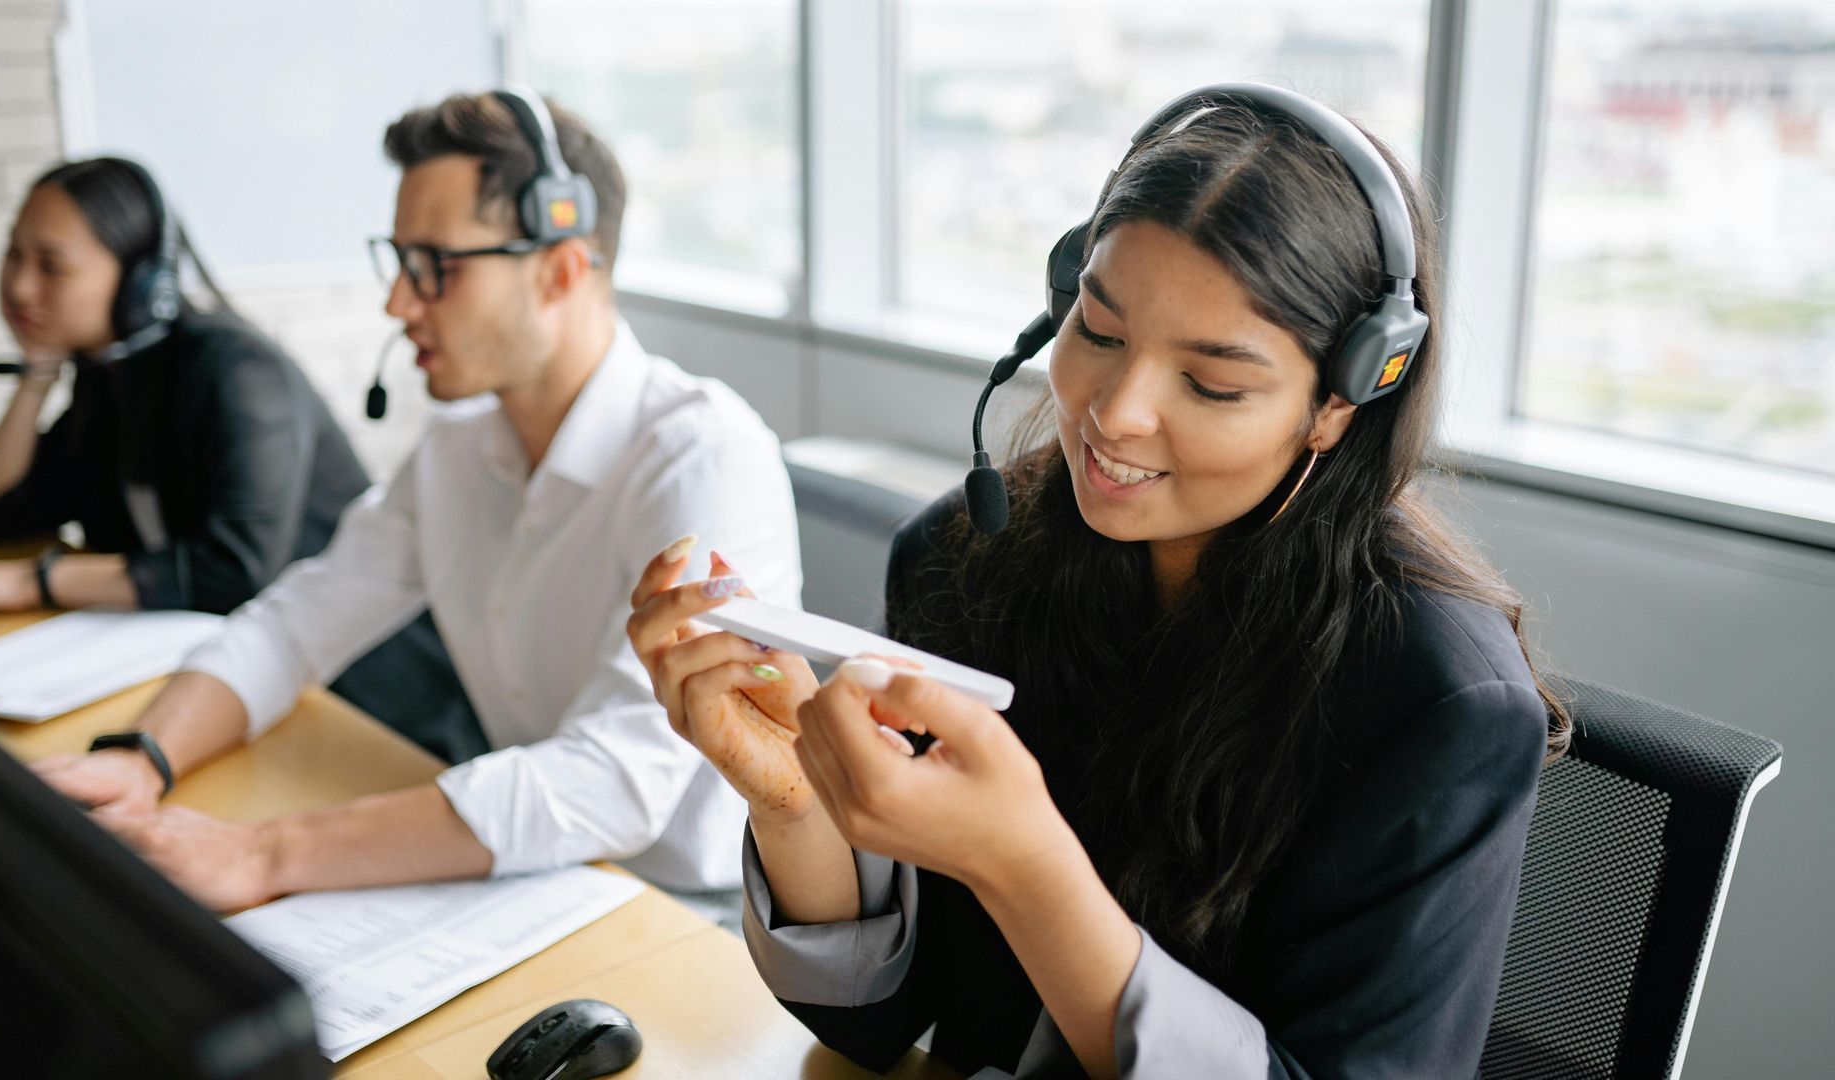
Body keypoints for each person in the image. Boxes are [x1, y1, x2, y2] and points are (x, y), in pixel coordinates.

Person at [630, 85, 1569, 1077]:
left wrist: (1024, 866)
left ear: (1341, 402)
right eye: (1101, 330)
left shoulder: (1439, 704)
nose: (1115, 413)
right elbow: (878, 1025)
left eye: (1210, 383)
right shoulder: (965, 561)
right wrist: (793, 804)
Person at [32, 90, 801, 915]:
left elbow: (618, 779)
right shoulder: (457, 446)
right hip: (539, 874)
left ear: (562, 269)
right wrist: (143, 757)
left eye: (436, 266)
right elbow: (296, 623)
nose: (398, 304)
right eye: (398, 262)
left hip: (696, 913)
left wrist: (267, 852)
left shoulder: (702, 457)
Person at [0, 157, 473, 754]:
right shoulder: (107, 378)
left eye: (51, 265)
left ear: (140, 282)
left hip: (364, 696)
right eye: (14, 256)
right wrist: (36, 376)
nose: (21, 286)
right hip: (227, 683)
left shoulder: (237, 372)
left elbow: (234, 569)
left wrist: (33, 583)